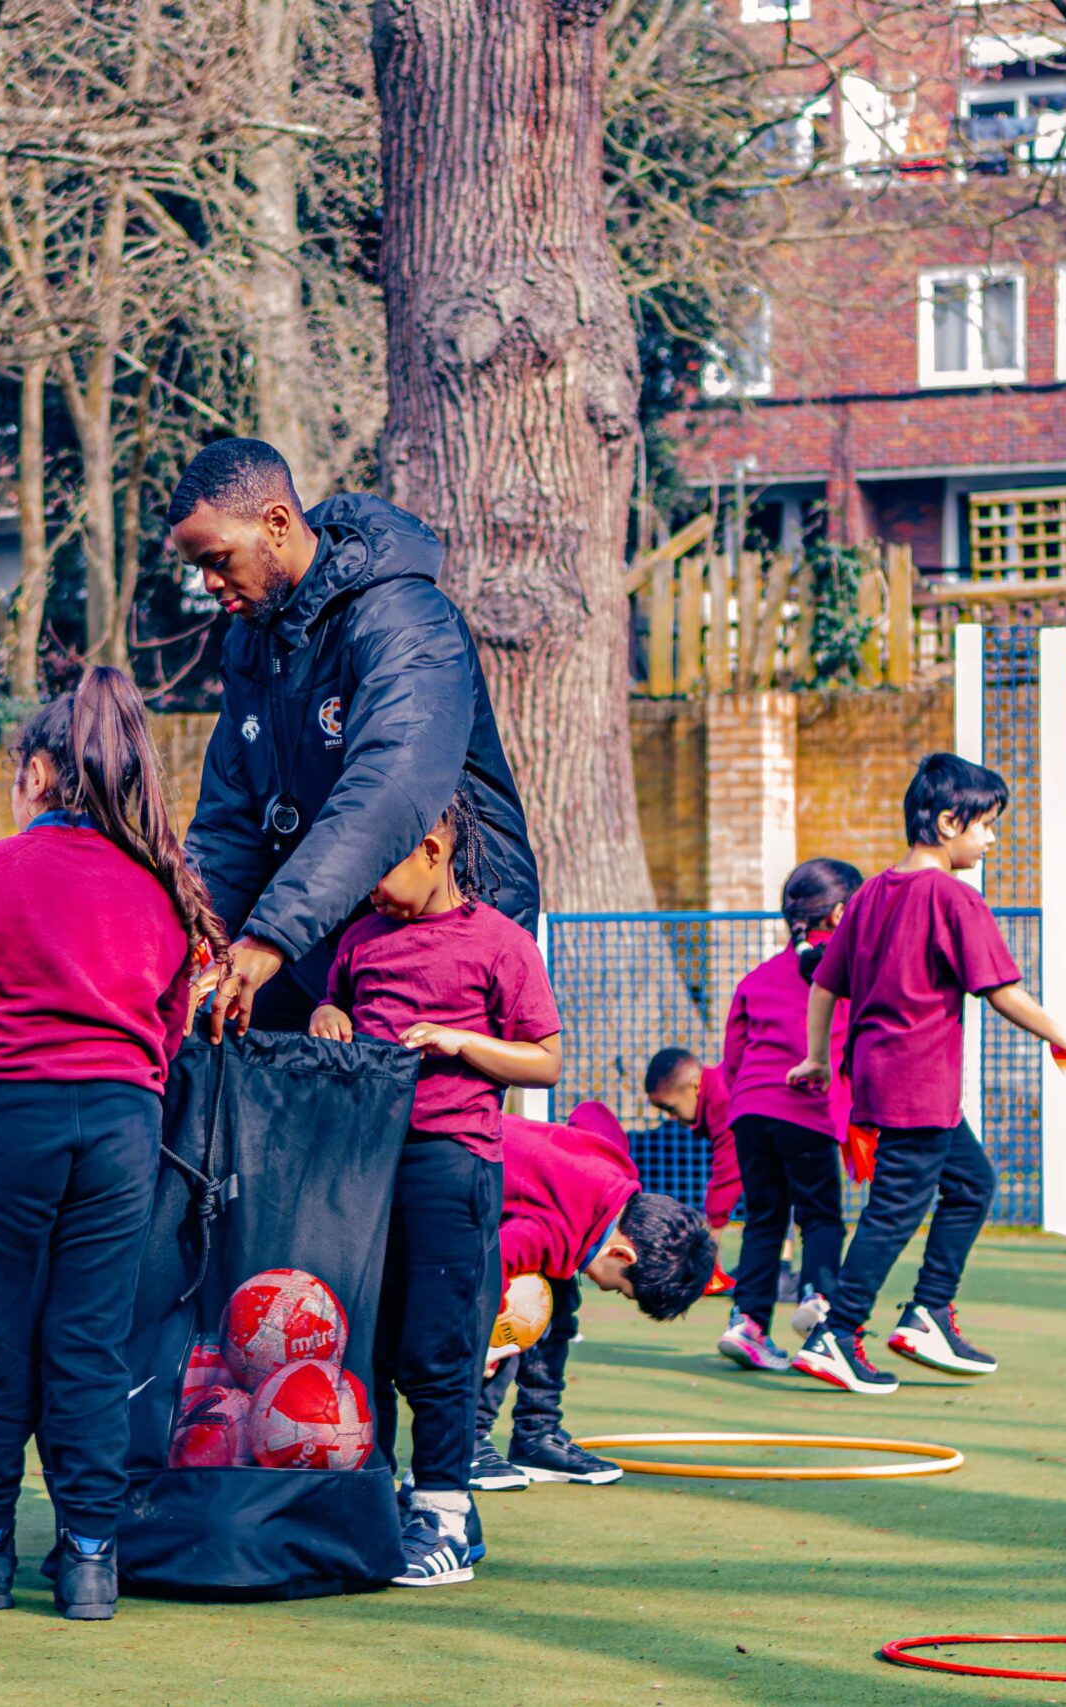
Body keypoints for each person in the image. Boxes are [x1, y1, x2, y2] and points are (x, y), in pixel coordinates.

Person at [0, 668, 217, 1622]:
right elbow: (170, 1025)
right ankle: (88, 1554)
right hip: (122, 1120)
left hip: (8, 1114)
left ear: (39, 773)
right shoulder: (161, 884)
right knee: (90, 1341)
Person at [168, 438, 539, 1035]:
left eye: (218, 558)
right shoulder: (249, 644)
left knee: (405, 1123)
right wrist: (188, 949)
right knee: (221, 1051)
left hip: (443, 934)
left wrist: (269, 936)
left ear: (278, 523)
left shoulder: (404, 619)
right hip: (326, 937)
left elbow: (389, 788)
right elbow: (229, 822)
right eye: (197, 568)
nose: (209, 583)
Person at [309, 789, 561, 1588]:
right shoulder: (360, 938)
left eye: (379, 866)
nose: (369, 887)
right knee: (368, 1341)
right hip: (363, 1163)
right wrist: (325, 1012)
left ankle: (445, 1512)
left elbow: (545, 1058)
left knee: (439, 1345)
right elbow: (337, 1001)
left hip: (452, 1160)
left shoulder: (500, 941)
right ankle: (379, 1501)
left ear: (431, 849)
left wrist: (461, 1041)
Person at [787, 754, 1066, 1396]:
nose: (991, 838)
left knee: (971, 1184)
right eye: (986, 825)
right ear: (949, 820)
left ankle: (928, 1312)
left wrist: (818, 1056)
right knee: (893, 1214)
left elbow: (823, 982)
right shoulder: (952, 896)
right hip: (918, 1085)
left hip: (882, 1078)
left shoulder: (871, 892)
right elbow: (1004, 992)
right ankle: (836, 1336)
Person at [471, 1105, 716, 1494]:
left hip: (502, 1176)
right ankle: (467, 1439)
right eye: (621, 1287)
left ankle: (537, 1436)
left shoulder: (618, 1170)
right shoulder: (551, 1229)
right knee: (512, 1315)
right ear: (622, 1255)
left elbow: (592, 1112)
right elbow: (493, 1265)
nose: (608, 1290)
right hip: (433, 1176)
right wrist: (481, 1344)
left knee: (560, 1296)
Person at [707, 858, 859, 1374]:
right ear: (840, 915)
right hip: (807, 1106)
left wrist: (748, 1100)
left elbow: (732, 1057)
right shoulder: (846, 979)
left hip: (750, 1109)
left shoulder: (758, 977)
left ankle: (746, 1323)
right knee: (820, 1216)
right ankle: (818, 1301)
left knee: (765, 1220)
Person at [642, 1047, 743, 1233]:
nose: (671, 1118)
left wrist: (714, 1224)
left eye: (671, 1108)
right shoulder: (721, 1087)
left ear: (695, 1086)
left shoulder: (722, 1097)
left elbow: (728, 1165)